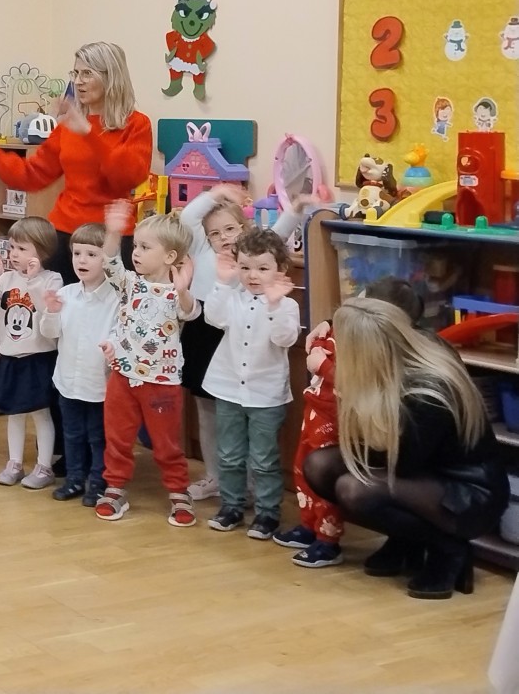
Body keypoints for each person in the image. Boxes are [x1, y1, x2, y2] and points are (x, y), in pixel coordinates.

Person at [303, 297, 507, 599]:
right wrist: (327, 325)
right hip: (421, 469)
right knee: (318, 466)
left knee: (354, 489)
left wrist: (352, 397)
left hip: (466, 492)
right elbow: (374, 319)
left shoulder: (427, 395)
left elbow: (402, 464)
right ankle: (405, 540)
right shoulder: (410, 343)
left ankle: (447, 548)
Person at [0, 41, 152, 282]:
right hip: (63, 236)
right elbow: (29, 176)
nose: (78, 81)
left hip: (111, 238)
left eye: (87, 73)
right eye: (75, 73)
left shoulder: (136, 124)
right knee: (55, 303)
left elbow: (128, 176)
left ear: (111, 76)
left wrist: (89, 134)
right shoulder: (68, 126)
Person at [275, 277, 422, 568]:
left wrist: (323, 366)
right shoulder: (345, 327)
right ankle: (309, 525)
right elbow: (326, 337)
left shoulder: (375, 351)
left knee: (322, 477)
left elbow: (356, 383)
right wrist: (322, 330)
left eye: (361, 303)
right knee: (302, 469)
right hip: (315, 411)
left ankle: (327, 540)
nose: (351, 308)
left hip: (336, 420)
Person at [179, 183, 308, 502]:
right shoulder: (202, 251)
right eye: (215, 233)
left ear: (244, 228)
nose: (224, 238)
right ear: (206, 238)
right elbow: (187, 218)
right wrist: (217, 193)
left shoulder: (249, 255)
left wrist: (296, 208)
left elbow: (276, 236)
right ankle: (215, 476)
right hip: (204, 328)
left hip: (241, 332)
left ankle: (249, 484)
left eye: (230, 229)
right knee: (208, 411)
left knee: (245, 413)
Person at [95, 201, 200, 527]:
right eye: (135, 246)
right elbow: (109, 262)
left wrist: (182, 291)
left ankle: (179, 492)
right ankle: (114, 488)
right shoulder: (130, 283)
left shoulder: (175, 293)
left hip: (162, 383)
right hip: (123, 376)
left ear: (170, 257)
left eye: (144, 247)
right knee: (117, 437)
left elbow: (190, 312)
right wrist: (114, 232)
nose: (136, 253)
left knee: (166, 443)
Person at [201, 228, 300, 540]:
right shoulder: (232, 297)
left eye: (262, 268)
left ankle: (268, 513)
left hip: (266, 394)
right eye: (245, 267)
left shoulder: (287, 306)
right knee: (229, 454)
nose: (252, 275)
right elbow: (213, 318)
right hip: (228, 389)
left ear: (280, 269)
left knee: (264, 458)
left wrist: (274, 305)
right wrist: (221, 281)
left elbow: (285, 338)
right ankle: (231, 506)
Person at [0, 217, 64, 489]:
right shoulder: (6, 278)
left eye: (22, 249)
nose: (14, 254)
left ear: (42, 251)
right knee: (13, 413)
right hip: (10, 357)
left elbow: (45, 310)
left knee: (41, 413)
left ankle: (44, 466)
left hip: (38, 358)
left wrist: (34, 280)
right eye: (12, 247)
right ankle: (14, 462)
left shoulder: (52, 279)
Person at [42, 223, 119, 506]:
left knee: (98, 436)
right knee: (72, 433)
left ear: (107, 259)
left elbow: (119, 332)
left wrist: (112, 345)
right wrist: (51, 312)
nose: (82, 260)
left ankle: (98, 482)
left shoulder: (115, 298)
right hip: (68, 382)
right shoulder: (66, 294)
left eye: (91, 254)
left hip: (99, 384)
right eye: (77, 254)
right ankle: (74, 478)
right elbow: (50, 333)